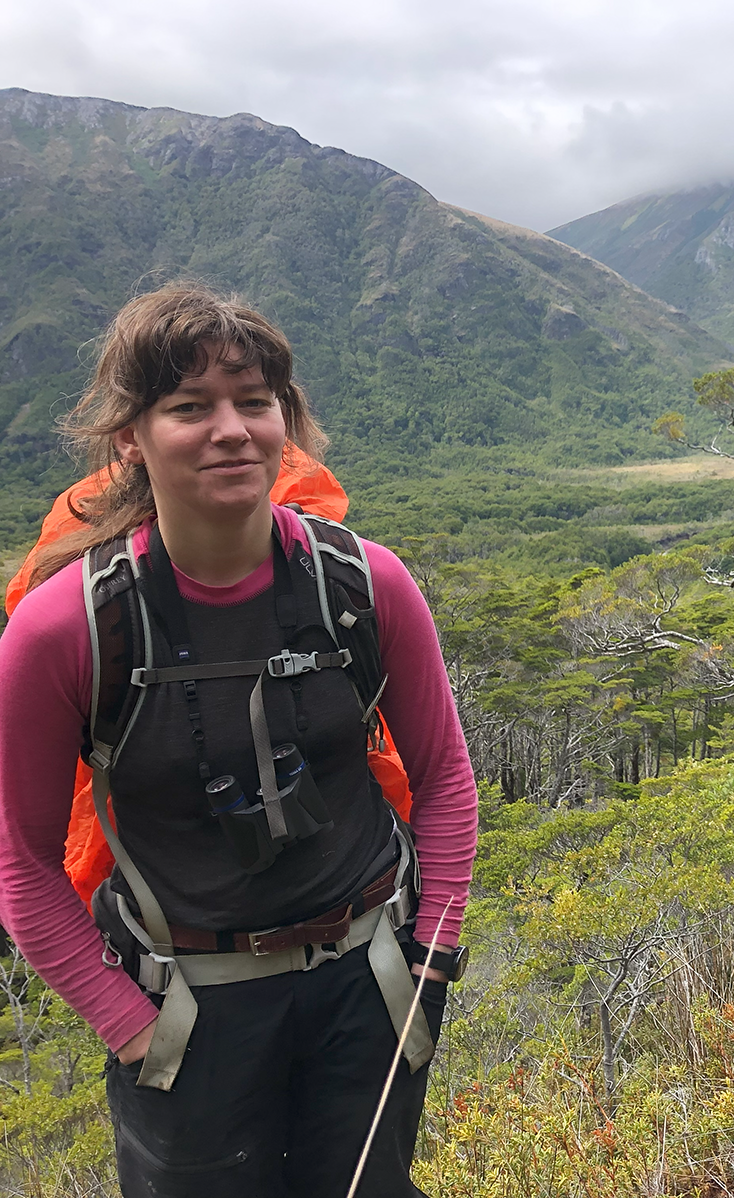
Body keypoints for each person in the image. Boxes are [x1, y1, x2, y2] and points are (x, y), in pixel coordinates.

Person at [0, 284, 479, 1195]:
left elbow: (446, 778)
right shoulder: (67, 630)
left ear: (285, 421)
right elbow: (19, 860)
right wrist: (131, 1024)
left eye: (254, 401)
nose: (231, 429)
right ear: (128, 437)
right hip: (181, 1003)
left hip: (370, 978)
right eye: (189, 407)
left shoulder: (366, 586)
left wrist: (430, 958)